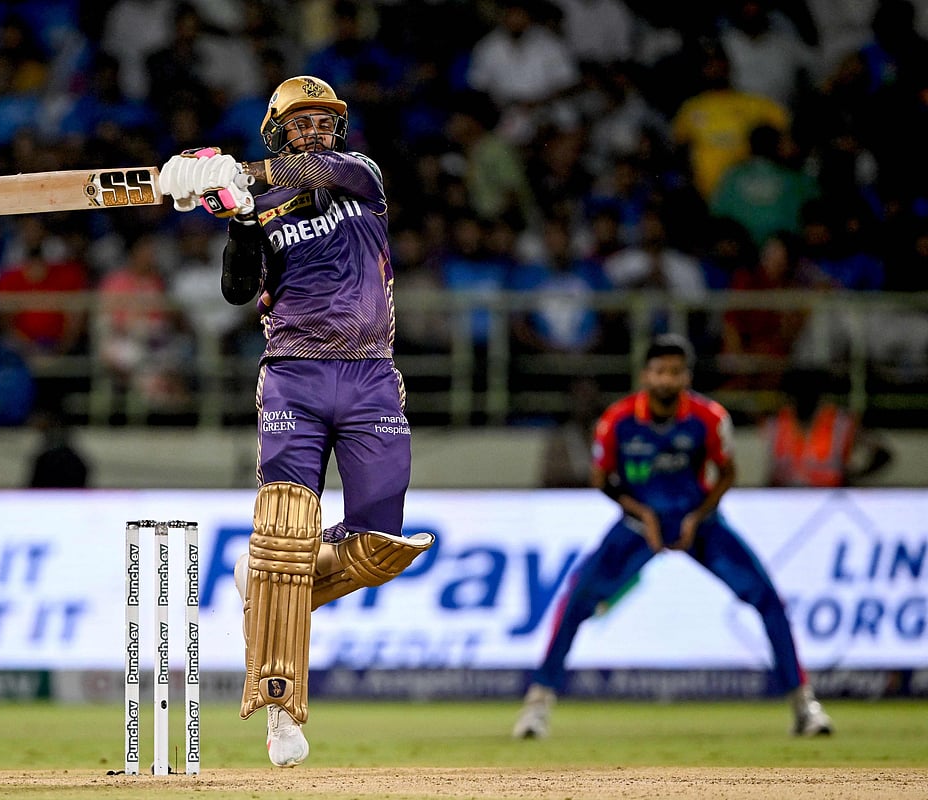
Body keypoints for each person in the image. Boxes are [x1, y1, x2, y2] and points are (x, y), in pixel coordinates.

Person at [156, 74, 435, 767]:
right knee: (285, 529)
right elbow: (237, 290)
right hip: (293, 377)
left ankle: (267, 581)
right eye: (299, 123)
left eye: (323, 122)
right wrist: (243, 216)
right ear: (278, 129)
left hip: (372, 375)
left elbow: (316, 170)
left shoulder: (359, 177)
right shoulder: (260, 203)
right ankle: (281, 713)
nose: (314, 131)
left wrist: (226, 170)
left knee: (377, 547)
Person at [511, 334, 833, 739]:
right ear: (646, 374)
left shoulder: (709, 417)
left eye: (675, 372)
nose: (666, 380)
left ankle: (805, 705)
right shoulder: (618, 421)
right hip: (636, 527)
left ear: (686, 376)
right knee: (576, 601)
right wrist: (642, 514)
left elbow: (727, 472)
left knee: (767, 598)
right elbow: (602, 480)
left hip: (698, 524)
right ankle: (538, 705)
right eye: (660, 371)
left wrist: (698, 516)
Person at [763, 369, 893, 488]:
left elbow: (882, 453)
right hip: (788, 498)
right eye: (798, 393)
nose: (803, 398)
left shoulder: (839, 423)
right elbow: (773, 469)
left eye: (809, 393)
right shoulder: (777, 422)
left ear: (819, 395)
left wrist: (855, 478)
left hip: (829, 496)